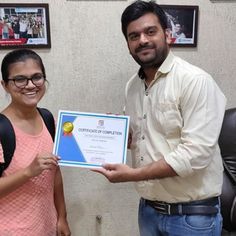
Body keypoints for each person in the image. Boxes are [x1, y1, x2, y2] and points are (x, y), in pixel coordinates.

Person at [93, 1, 226, 235]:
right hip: (149, 212)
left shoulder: (195, 81)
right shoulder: (133, 87)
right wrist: (118, 136)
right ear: (128, 45)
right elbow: (144, 138)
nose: (142, 40)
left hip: (192, 218)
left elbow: (195, 154)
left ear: (167, 34)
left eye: (150, 31)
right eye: (134, 36)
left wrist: (132, 175)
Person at [0, 49, 71, 236]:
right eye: (19, 79)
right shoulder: (2, 129)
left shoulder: (48, 119)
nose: (30, 85)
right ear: (5, 85)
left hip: (47, 227)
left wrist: (62, 216)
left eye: (37, 77)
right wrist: (28, 172)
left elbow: (55, 172)